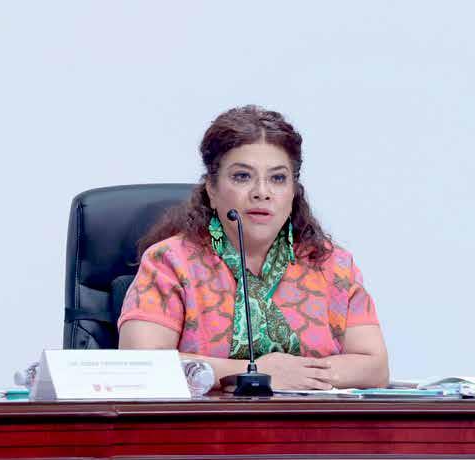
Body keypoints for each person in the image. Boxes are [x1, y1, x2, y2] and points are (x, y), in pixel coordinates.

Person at [118, 105, 389, 390]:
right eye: (242, 176)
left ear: (293, 192)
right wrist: (259, 374)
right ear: (211, 189)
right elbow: (141, 367)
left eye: (278, 178)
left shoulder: (332, 265)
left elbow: (375, 368)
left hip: (311, 419)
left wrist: (299, 376)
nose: (262, 192)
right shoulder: (170, 262)